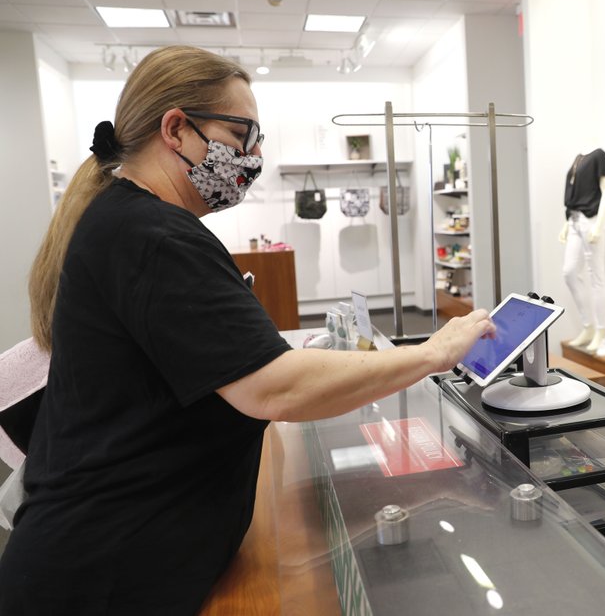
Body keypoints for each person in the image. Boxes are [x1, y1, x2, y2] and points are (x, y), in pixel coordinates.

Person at [0, 46, 495, 615]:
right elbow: (274, 388)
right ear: (176, 129)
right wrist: (434, 353)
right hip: (101, 581)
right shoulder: (153, 235)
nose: (253, 156)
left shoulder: (126, 221)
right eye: (244, 135)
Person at [560, 148, 605, 354]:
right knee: (569, 272)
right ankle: (588, 326)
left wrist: (599, 224)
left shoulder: (599, 155)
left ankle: (601, 330)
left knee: (596, 276)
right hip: (574, 220)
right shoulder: (577, 158)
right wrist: (566, 224)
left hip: (591, 219)